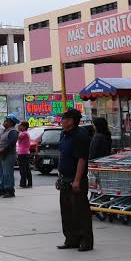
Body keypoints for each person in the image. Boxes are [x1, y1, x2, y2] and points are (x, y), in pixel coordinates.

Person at [57, 108, 93, 252]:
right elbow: (62, 155)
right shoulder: (63, 134)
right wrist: (59, 177)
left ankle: (85, 240)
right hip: (65, 177)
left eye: (63, 119)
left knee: (80, 211)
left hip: (76, 178)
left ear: (71, 121)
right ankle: (71, 239)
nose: (61, 121)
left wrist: (77, 180)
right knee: (66, 211)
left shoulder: (81, 135)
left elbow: (81, 159)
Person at [0, 114, 19, 198]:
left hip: (8, 155)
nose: (4, 122)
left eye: (6, 121)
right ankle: (2, 189)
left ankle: (10, 190)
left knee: (7, 173)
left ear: (11, 123)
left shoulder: (13, 131)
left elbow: (12, 143)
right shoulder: (5, 131)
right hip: (1, 155)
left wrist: (4, 150)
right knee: (1, 173)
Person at [17, 121, 32, 189]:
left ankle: (22, 184)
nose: (19, 127)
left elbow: (17, 137)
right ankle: (29, 183)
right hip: (25, 152)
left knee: (23, 169)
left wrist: (17, 130)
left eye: (20, 126)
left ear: (24, 127)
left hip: (22, 153)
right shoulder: (26, 133)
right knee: (27, 169)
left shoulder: (23, 133)